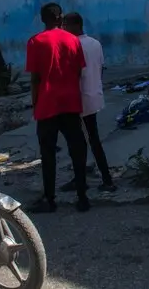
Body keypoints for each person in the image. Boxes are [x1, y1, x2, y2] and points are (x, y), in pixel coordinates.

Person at [26, 2, 90, 213]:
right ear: (60, 18)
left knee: (48, 153)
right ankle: (82, 196)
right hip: (70, 102)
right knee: (77, 149)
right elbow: (79, 71)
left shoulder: (35, 42)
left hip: (47, 104)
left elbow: (35, 78)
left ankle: (50, 198)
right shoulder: (73, 40)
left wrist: (35, 102)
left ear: (42, 19)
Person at [60, 12, 116, 194]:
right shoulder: (95, 43)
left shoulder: (71, 45)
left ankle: (94, 179)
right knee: (92, 139)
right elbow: (99, 69)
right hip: (94, 96)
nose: (63, 30)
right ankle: (99, 178)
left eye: (65, 26)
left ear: (74, 25)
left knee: (80, 142)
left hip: (79, 99)